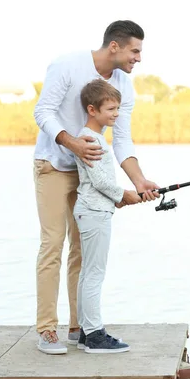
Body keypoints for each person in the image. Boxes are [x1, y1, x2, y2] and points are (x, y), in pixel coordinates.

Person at [33, 20, 159, 354]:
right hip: (55, 165)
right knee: (53, 245)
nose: (139, 59)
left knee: (82, 251)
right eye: (135, 50)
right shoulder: (67, 65)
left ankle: (80, 327)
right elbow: (43, 112)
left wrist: (139, 180)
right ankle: (46, 329)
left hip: (89, 173)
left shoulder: (123, 85)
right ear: (114, 46)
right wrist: (73, 145)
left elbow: (122, 139)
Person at [73, 78, 141, 353]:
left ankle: (85, 333)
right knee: (94, 274)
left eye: (117, 108)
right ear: (93, 109)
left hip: (94, 210)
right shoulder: (90, 138)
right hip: (94, 213)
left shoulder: (92, 136)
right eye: (111, 109)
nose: (116, 114)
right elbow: (100, 181)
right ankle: (94, 335)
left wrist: (122, 198)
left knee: (88, 273)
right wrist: (124, 194)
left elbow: (98, 182)